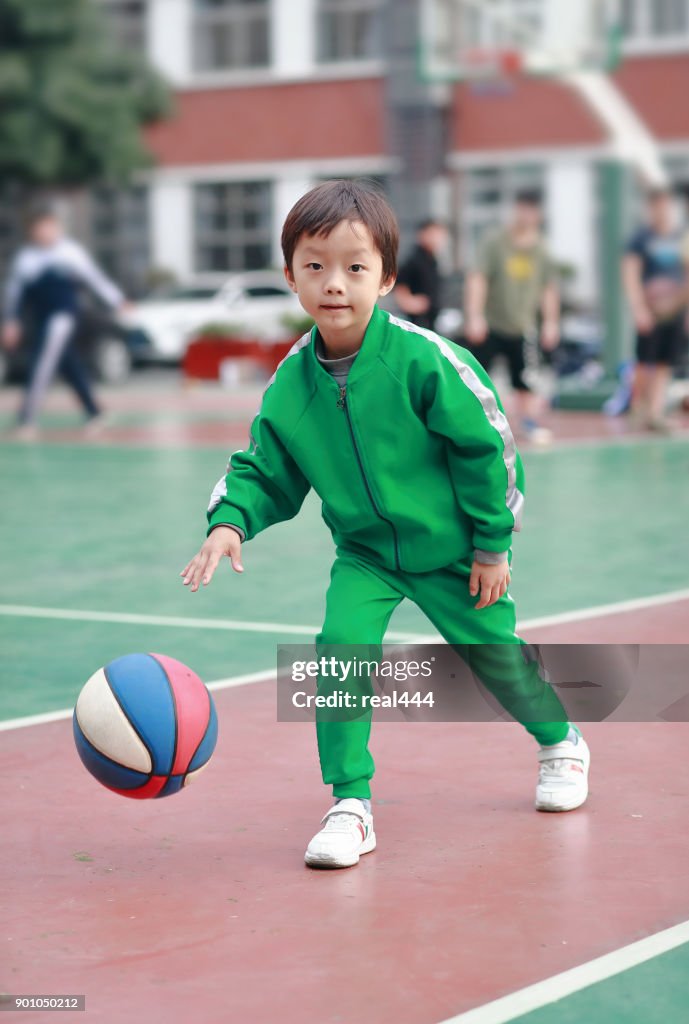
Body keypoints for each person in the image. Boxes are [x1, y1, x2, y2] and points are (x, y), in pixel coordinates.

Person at [181, 180, 590, 871]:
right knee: (339, 647)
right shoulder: (291, 383)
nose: (333, 284)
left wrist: (491, 543)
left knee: (493, 654)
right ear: (289, 277)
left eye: (353, 267)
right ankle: (350, 803)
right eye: (314, 266)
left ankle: (560, 743)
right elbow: (263, 465)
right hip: (366, 554)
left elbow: (487, 447)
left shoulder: (424, 360)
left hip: (453, 550)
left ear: (387, 277)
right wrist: (230, 524)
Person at [1, 203, 127, 440]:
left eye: (50, 227)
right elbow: (15, 294)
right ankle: (95, 412)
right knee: (68, 364)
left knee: (42, 362)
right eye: (40, 228)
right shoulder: (27, 259)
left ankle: (26, 418)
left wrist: (118, 300)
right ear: (33, 231)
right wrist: (11, 321)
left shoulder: (70, 252)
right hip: (39, 319)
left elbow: (95, 278)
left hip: (63, 318)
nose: (46, 233)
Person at [464, 189, 560, 445]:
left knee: (526, 378)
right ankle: (469, 421)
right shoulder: (495, 242)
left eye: (532, 210)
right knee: (474, 373)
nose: (526, 215)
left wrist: (551, 323)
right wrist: (475, 316)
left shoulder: (541, 248)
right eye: (522, 209)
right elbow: (478, 278)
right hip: (492, 322)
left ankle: (527, 422)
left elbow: (548, 288)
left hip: (524, 325)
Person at [622, 187, 689, 432]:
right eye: (657, 204)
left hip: (675, 312)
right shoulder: (641, 239)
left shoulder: (681, 236)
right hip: (650, 312)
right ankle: (637, 405)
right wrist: (638, 308)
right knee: (644, 361)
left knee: (665, 363)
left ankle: (655, 413)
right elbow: (630, 273)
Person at [394, 218, 448, 330]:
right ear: (422, 235)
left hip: (431, 318)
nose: (437, 239)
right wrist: (410, 303)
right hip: (418, 320)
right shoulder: (414, 259)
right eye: (433, 234)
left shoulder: (433, 260)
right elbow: (400, 284)